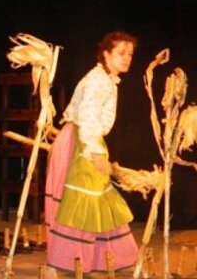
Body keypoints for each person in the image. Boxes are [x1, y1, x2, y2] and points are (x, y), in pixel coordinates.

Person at [44, 31, 138, 277]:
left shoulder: (106, 80)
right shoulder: (97, 81)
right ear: (106, 54)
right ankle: (58, 263)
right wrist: (95, 154)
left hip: (88, 141)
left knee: (96, 201)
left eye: (130, 54)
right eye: (121, 53)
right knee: (80, 202)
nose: (127, 58)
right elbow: (86, 116)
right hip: (81, 144)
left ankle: (101, 258)